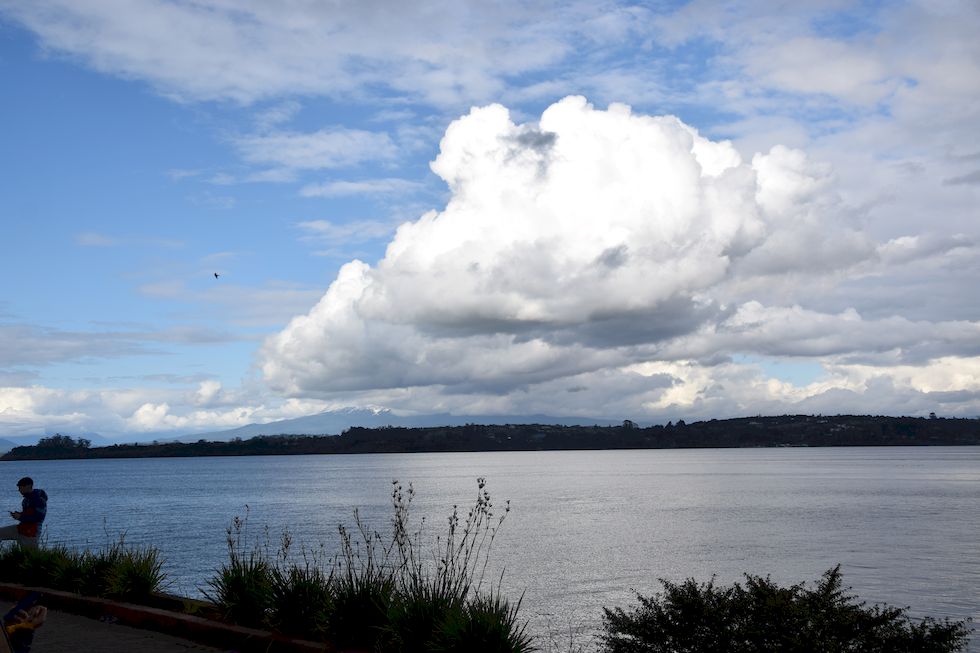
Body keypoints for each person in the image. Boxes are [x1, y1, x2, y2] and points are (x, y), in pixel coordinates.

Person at [0, 478, 47, 549]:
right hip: (21, 529)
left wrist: (20, 517)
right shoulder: (26, 500)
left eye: (20, 487)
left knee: (29, 557)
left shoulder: (39, 500)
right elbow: (28, 515)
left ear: (28, 486)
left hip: (31, 533)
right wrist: (19, 515)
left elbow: (38, 518)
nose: (18, 490)